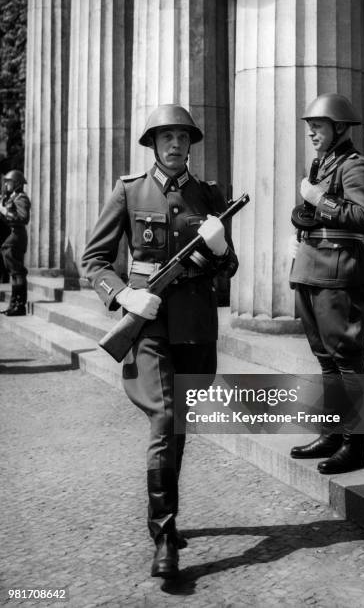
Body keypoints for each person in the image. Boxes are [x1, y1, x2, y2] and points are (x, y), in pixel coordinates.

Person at [81, 104, 238, 579]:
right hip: (148, 326)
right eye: (166, 137)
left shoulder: (209, 195)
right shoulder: (129, 191)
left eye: (183, 137)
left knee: (180, 422)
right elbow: (95, 260)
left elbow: (228, 270)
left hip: (195, 326)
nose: (176, 145)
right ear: (152, 143)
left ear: (191, 144)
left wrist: (219, 248)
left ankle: (166, 518)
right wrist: (125, 295)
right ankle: (165, 534)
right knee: (166, 416)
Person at [289, 93, 364, 474]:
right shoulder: (322, 165)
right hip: (312, 269)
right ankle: (331, 432)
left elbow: (363, 217)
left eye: (318, 126)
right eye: (310, 127)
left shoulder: (355, 167)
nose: (311, 132)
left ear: (339, 128)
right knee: (326, 360)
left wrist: (317, 196)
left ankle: (355, 445)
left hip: (340, 275)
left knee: (346, 360)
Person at [0, 169, 31, 316]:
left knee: (17, 272)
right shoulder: (12, 197)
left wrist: (4, 211)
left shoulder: (22, 198)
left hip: (17, 236)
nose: (6, 185)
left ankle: (19, 305)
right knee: (14, 273)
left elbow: (23, 218)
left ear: (17, 183)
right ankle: (14, 303)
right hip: (11, 236)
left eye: (9, 182)